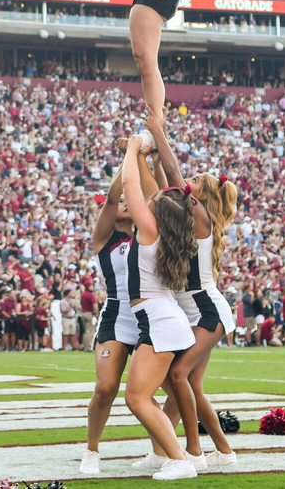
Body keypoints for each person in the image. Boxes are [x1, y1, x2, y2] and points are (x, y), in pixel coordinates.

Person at [152, 126, 238, 471]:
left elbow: (173, 177)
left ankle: (194, 452)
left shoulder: (200, 215)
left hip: (207, 310)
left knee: (177, 375)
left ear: (203, 193)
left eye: (198, 179)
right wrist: (153, 159)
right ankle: (225, 453)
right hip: (193, 310)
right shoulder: (193, 214)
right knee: (191, 386)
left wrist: (158, 131)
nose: (192, 180)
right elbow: (166, 186)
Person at [118, 135, 198, 481]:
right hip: (163, 318)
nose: (148, 202)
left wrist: (132, 149)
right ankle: (167, 453)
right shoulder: (163, 228)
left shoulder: (149, 230)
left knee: (136, 398)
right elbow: (151, 190)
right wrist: (142, 156)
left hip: (158, 321)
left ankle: (180, 460)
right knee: (160, 393)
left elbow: (130, 185)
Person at [81, 157, 139, 474]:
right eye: (121, 203)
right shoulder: (105, 236)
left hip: (151, 317)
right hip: (117, 314)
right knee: (105, 389)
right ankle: (92, 450)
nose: (126, 204)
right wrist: (130, 157)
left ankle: (163, 449)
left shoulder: (148, 230)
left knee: (173, 386)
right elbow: (115, 195)